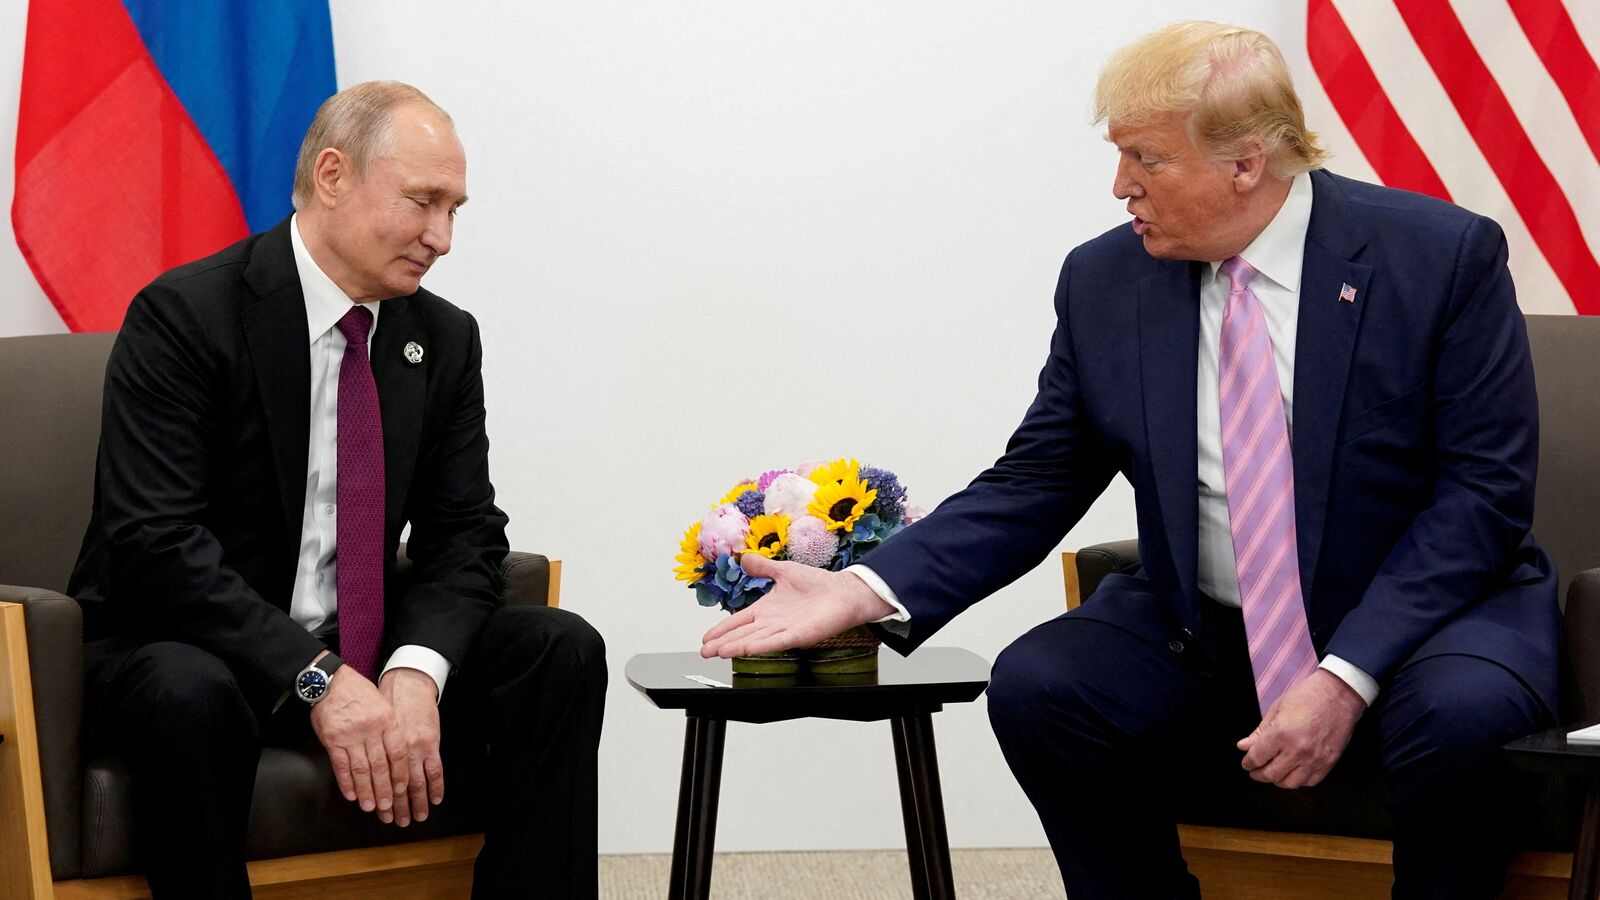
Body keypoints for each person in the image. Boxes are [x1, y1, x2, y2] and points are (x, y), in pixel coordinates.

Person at [702, 22, 1557, 900]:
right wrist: (868, 588)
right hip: (1213, 626)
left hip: (1428, 621)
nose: (1122, 188)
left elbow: (1481, 499)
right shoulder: (1106, 281)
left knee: (1463, 719)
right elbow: (1037, 476)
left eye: (1146, 160)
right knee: (1043, 685)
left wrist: (1345, 675)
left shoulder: (1440, 257)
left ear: (1246, 163)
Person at [69, 81, 606, 899]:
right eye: (424, 202)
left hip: (363, 648)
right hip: (197, 651)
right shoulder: (187, 315)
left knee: (558, 650)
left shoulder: (444, 338)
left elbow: (466, 535)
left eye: (456, 210)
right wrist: (315, 676)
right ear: (332, 176)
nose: (443, 237)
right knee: (188, 690)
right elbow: (154, 544)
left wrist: (416, 671)